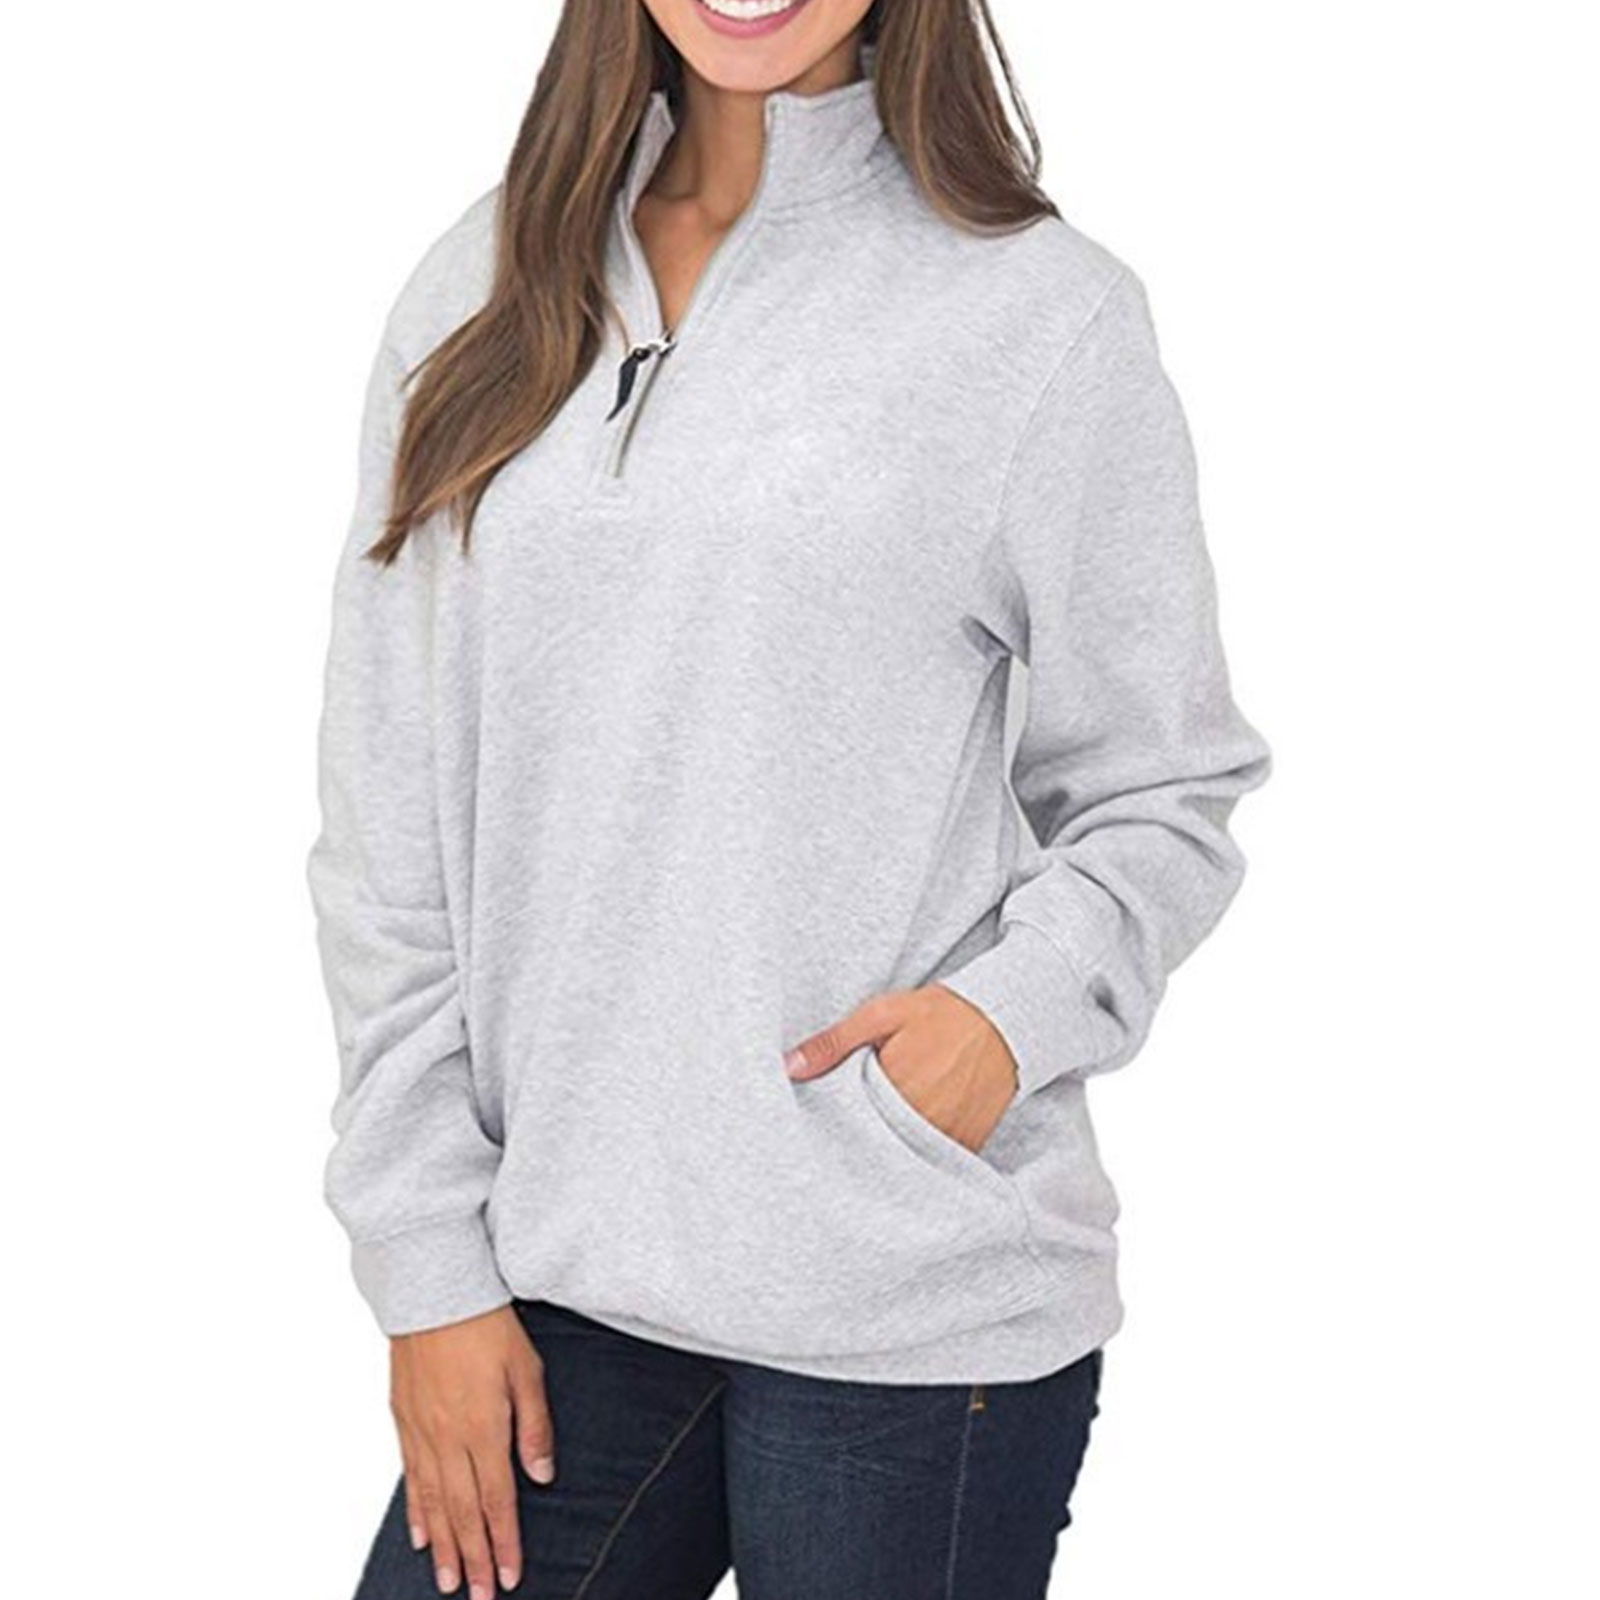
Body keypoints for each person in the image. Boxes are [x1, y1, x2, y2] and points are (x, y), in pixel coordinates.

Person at [305, 1, 1274, 1596]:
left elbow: (1165, 780)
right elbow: (387, 819)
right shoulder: (478, 290)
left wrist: (1004, 1023)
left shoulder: (1040, 316)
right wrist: (423, 1264)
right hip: (558, 1275)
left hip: (902, 1291)